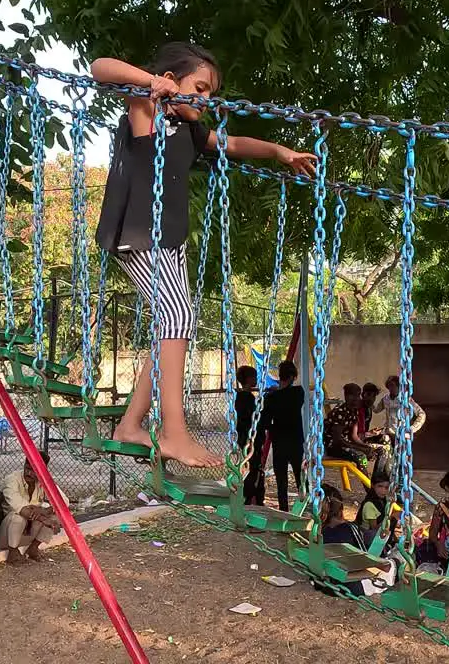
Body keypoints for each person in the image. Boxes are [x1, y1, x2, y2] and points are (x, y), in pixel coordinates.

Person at [93, 43, 316, 468]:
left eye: (211, 93)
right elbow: (99, 67)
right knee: (177, 318)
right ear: (172, 82)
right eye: (199, 88)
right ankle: (173, 433)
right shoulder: (147, 110)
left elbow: (233, 144)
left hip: (169, 242)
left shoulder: (193, 133)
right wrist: (151, 82)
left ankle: (130, 424)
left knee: (175, 323)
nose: (206, 100)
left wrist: (277, 151)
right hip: (141, 237)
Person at [0, 453, 67, 564]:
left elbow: (64, 502)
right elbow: (22, 508)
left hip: (28, 533)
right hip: (7, 536)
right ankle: (13, 552)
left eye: (34, 471)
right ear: (24, 464)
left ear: (42, 471)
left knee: (56, 515)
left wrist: (45, 511)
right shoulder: (12, 479)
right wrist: (44, 519)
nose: (29, 473)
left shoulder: (43, 480)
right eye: (27, 468)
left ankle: (33, 548)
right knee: (18, 517)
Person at [259, 360, 305, 511]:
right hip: (295, 439)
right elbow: (290, 397)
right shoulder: (298, 393)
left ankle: (283, 509)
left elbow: (264, 422)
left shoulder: (272, 398)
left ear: (280, 376)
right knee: (300, 476)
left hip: (279, 439)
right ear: (293, 377)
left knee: (281, 479)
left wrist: (271, 395)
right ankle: (306, 505)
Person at [370, 375, 425, 480]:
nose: (392, 388)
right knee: (385, 458)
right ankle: (382, 481)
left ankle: (400, 483)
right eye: (389, 386)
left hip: (401, 434)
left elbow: (421, 414)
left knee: (401, 460)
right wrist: (371, 400)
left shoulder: (406, 400)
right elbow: (376, 410)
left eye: (394, 386)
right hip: (389, 433)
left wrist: (412, 429)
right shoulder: (385, 399)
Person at [324, 383, 376, 468]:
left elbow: (354, 436)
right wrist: (359, 448)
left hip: (346, 444)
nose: (358, 399)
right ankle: (365, 480)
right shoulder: (340, 412)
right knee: (360, 457)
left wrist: (365, 446)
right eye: (355, 396)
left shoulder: (354, 411)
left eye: (359, 396)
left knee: (373, 451)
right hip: (334, 447)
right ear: (347, 397)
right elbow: (337, 440)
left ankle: (374, 479)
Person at [234, 365, 266, 505]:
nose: (256, 379)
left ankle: (251, 497)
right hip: (249, 438)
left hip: (245, 437)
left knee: (251, 468)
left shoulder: (242, 397)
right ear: (248, 379)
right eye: (254, 377)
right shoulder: (246, 398)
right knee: (253, 468)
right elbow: (251, 419)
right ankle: (252, 497)